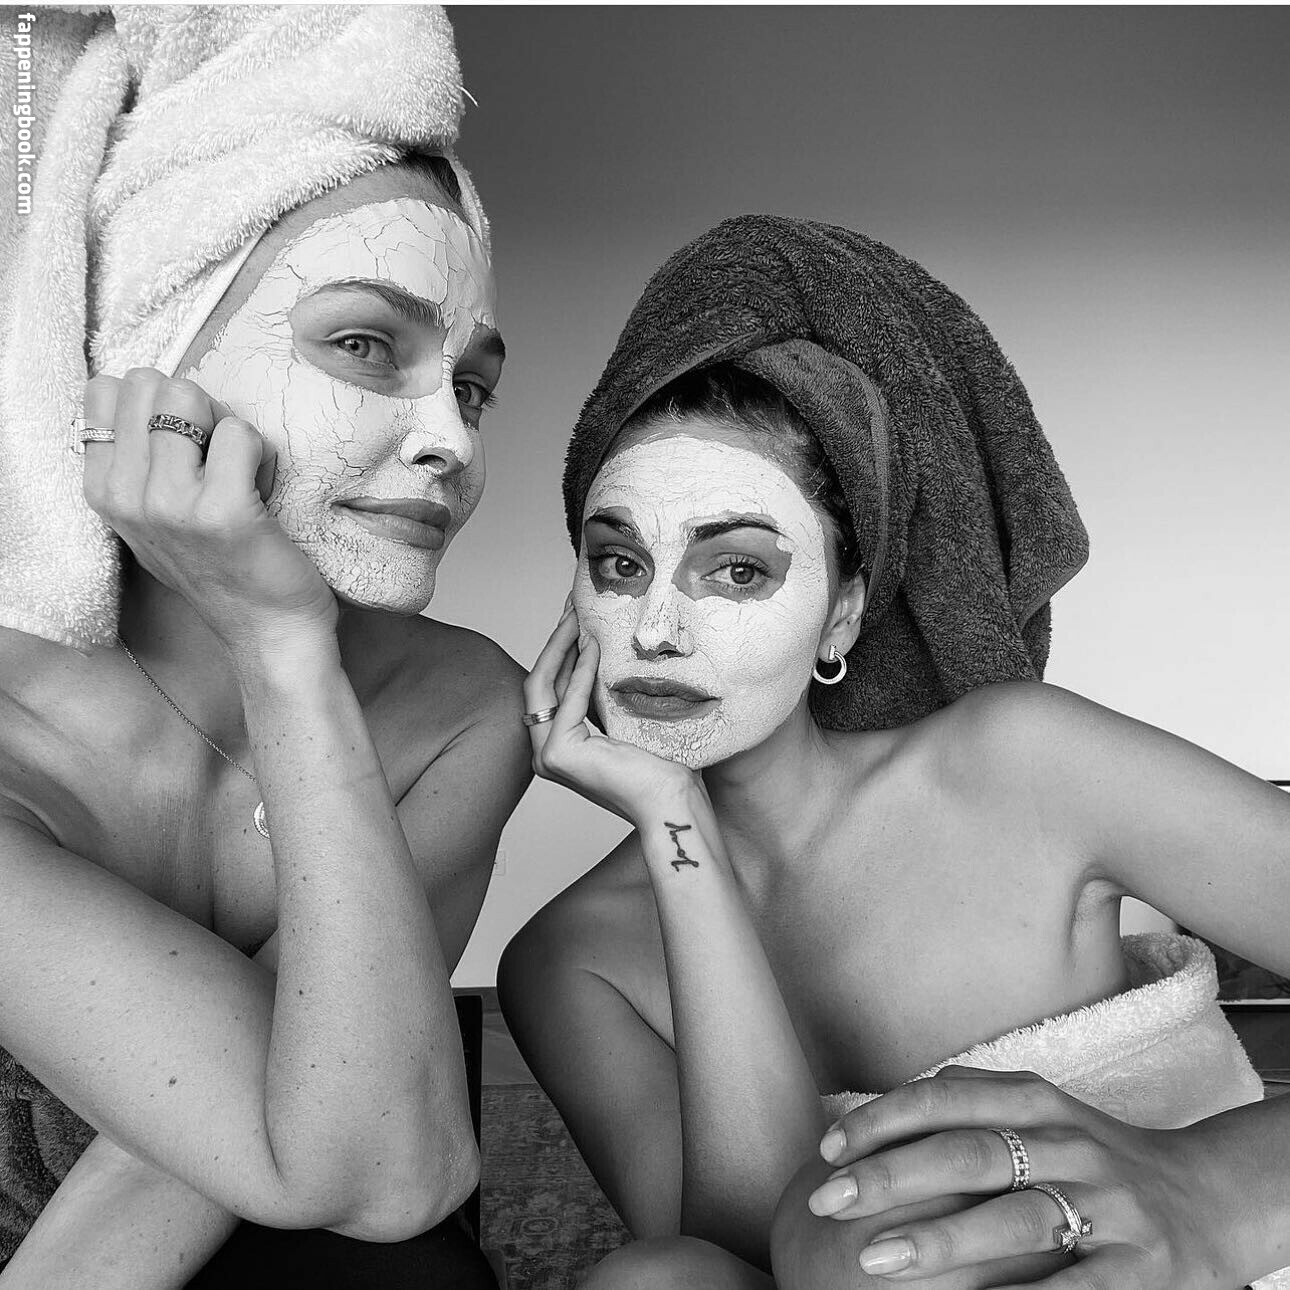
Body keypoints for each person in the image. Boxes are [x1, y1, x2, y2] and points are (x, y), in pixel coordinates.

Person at [500, 215, 1290, 1290]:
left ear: (843, 614)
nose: (657, 630)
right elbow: (753, 1251)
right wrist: (675, 826)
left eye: (737, 569)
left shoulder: (1023, 763)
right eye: (620, 564)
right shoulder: (571, 960)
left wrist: (1213, 1192)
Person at [0, 8, 525, 1287]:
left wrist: (282, 650)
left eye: (472, 383)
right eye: (364, 344)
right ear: (141, 368)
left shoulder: (464, 708)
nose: (453, 442)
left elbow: (384, 1165)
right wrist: (281, 636)